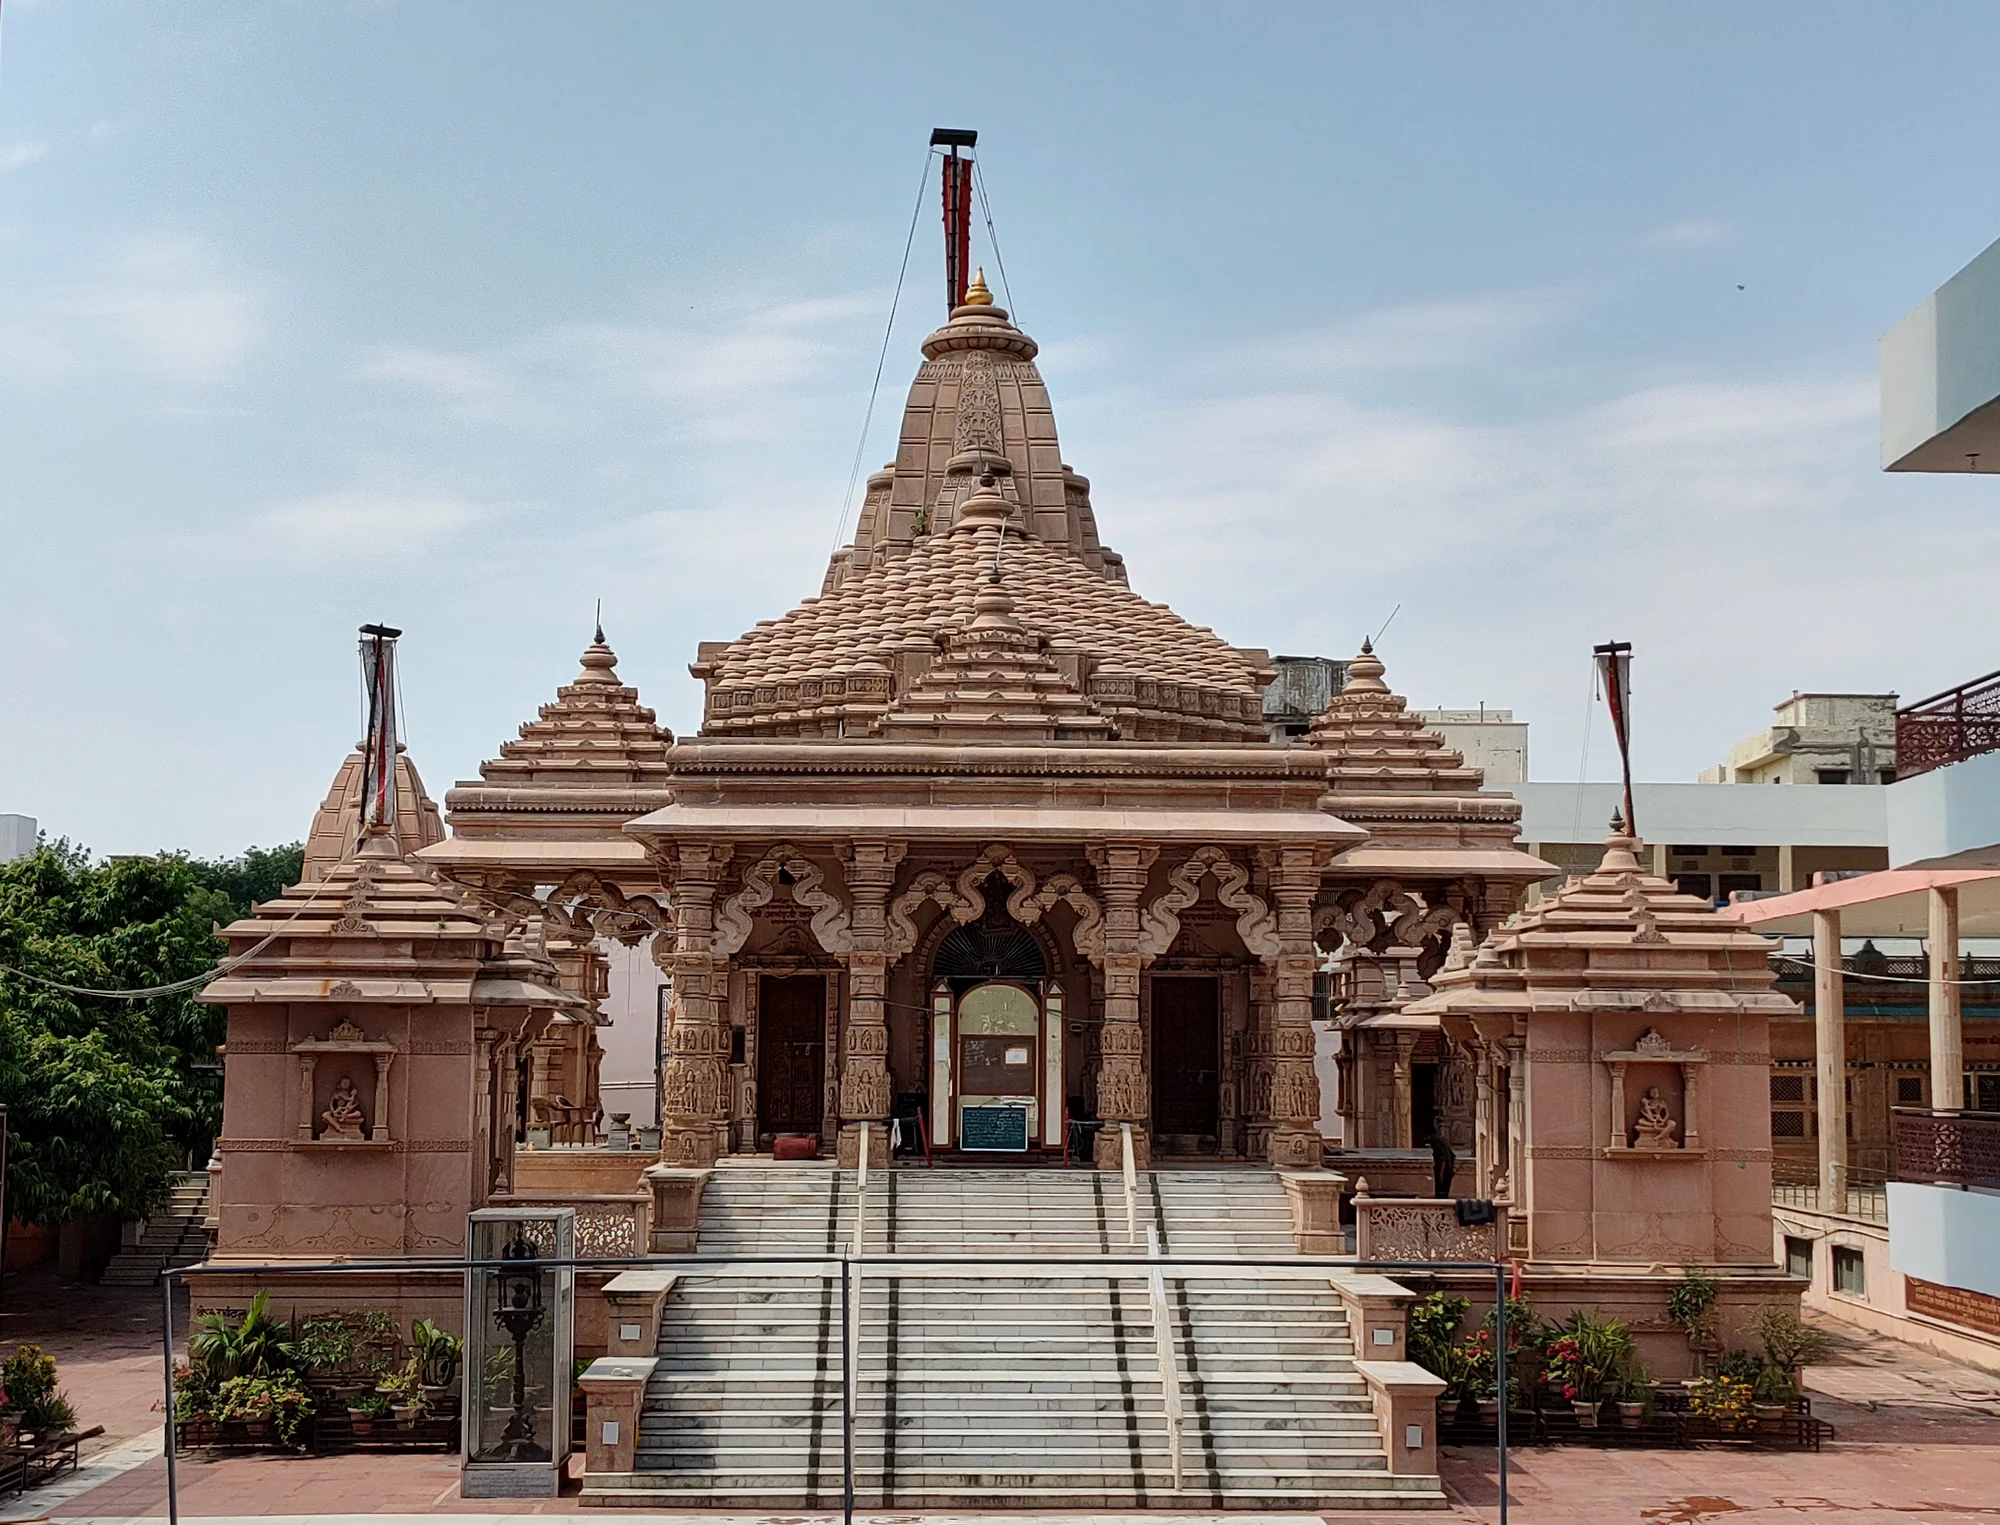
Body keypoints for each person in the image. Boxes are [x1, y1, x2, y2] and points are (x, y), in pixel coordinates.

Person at [1429, 1128, 1457, 1200]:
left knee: (1440, 1194)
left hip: (1443, 1172)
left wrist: (1441, 1175)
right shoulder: (1443, 1141)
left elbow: (1443, 1159)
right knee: (1444, 1193)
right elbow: (1453, 1156)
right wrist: (1452, 1169)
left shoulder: (1435, 1141)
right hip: (1448, 1171)